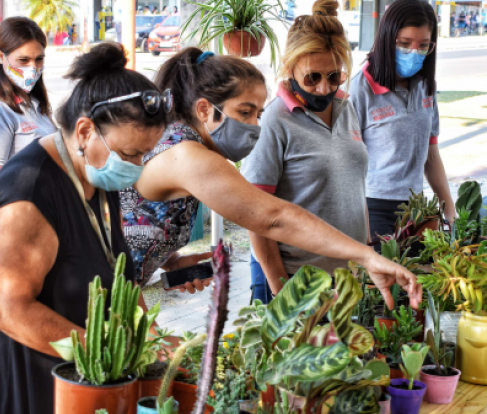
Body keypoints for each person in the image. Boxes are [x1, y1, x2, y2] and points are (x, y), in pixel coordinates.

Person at [0, 44, 170, 414]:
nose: (138, 165)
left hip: (59, 387)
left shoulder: (96, 175)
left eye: (145, 154)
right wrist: (107, 354)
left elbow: (120, 284)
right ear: (84, 132)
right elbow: (8, 310)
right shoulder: (26, 196)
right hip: (2, 393)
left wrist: (150, 340)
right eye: (131, 154)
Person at [124, 46, 422, 304]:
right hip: (98, 288)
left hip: (115, 285)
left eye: (258, 114)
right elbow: (273, 217)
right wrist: (368, 256)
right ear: (205, 109)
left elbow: (134, 221)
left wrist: (169, 261)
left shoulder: (181, 146)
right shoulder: (187, 154)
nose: (255, 126)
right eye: (244, 112)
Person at [240, 0, 368, 303]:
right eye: (313, 77)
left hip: (345, 281)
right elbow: (255, 214)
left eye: (334, 76)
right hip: (296, 282)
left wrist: (367, 253)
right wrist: (282, 290)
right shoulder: (274, 121)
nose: (324, 89)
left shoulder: (346, 108)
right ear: (290, 67)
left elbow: (356, 188)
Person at [349, 0, 455, 250]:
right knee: (383, 285)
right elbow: (348, 163)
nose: (413, 52)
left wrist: (448, 207)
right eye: (404, 44)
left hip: (415, 208)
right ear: (387, 39)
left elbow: (430, 155)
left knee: (420, 282)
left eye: (423, 46)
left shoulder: (426, 86)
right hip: (372, 206)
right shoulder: (361, 88)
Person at [0, 17, 56, 191]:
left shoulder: (34, 101)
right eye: (23, 60)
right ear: (1, 57)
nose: (33, 68)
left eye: (39, 59)